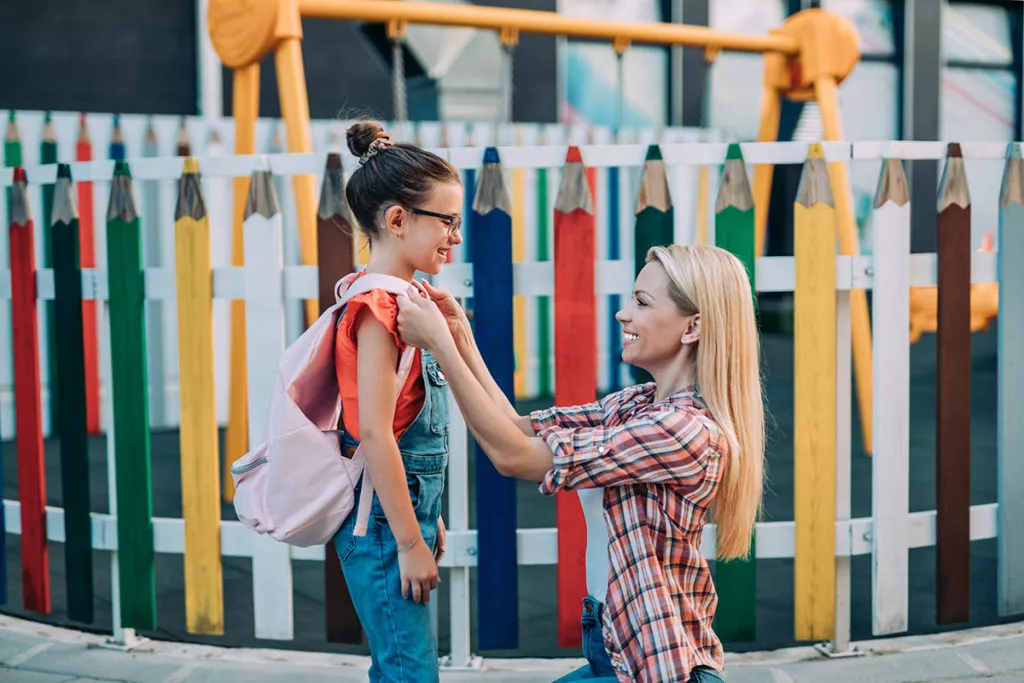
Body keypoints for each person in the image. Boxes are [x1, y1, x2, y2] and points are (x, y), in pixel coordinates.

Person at [395, 244, 765, 683]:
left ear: (693, 327)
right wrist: (459, 336)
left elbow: (512, 457)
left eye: (642, 303)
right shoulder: (637, 406)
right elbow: (516, 427)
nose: (622, 314)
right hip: (613, 647)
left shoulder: (684, 432)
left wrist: (438, 345)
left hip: (660, 669)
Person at [332, 121, 463, 683]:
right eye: (448, 222)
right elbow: (376, 433)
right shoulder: (380, 311)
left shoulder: (409, 300)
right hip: (382, 524)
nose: (455, 236)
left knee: (402, 666)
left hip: (398, 512)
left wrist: (421, 516)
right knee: (410, 670)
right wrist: (408, 540)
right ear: (396, 219)